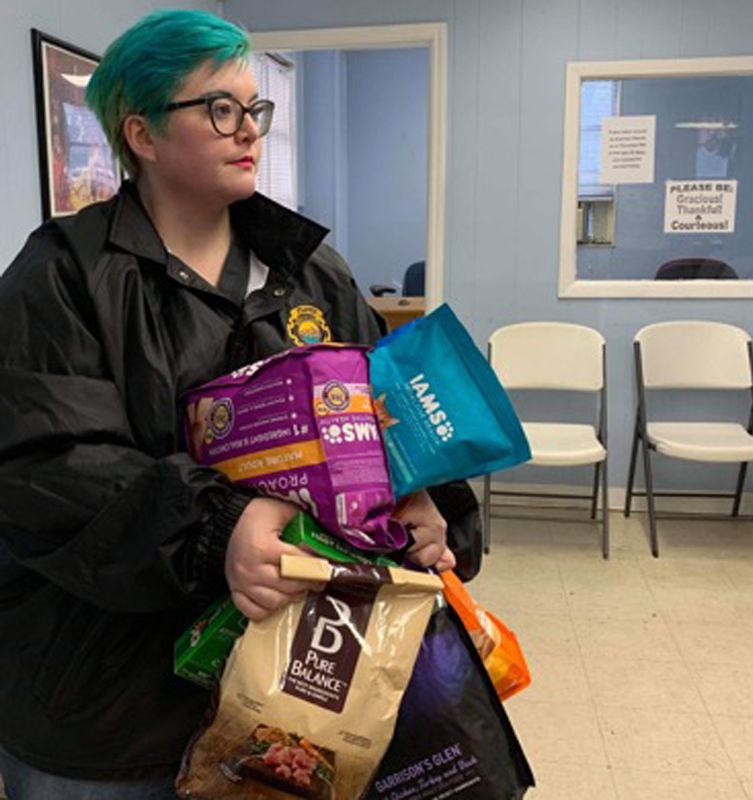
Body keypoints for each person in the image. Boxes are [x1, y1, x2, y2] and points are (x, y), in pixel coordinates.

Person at [0, 10, 456, 798]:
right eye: (220, 108)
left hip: (293, 699)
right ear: (141, 135)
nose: (249, 129)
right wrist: (220, 528)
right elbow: (46, 467)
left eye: (255, 108)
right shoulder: (61, 276)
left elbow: (385, 415)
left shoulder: (314, 273)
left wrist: (423, 493)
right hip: (110, 711)